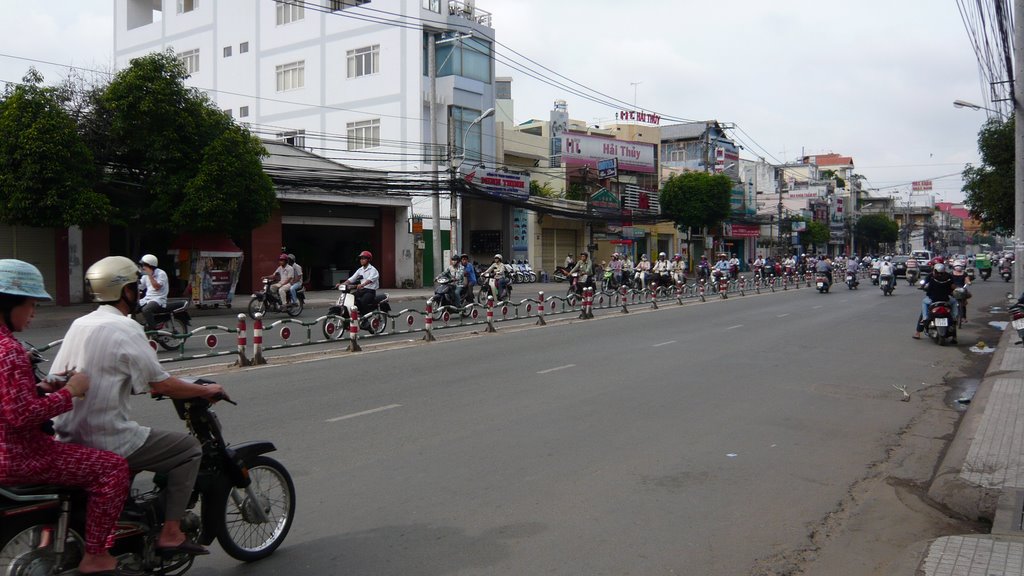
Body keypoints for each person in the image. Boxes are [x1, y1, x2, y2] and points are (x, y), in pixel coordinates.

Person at [52, 256, 226, 558]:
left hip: (65, 434)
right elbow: (161, 384)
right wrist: (204, 389)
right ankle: (171, 533)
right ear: (126, 292)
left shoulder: (80, 323)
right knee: (187, 449)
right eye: (135, 286)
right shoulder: (125, 327)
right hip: (106, 437)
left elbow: (70, 373)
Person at [0, 259, 130, 575]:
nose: (33, 314)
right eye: (30, 305)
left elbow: (10, 400)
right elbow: (21, 416)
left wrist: (42, 386)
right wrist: (70, 391)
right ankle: (97, 555)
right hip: (21, 457)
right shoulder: (10, 350)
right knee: (113, 469)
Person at [914, 262, 956, 340]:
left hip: (933, 300)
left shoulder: (932, 278)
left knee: (924, 307)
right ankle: (954, 321)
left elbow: (928, 291)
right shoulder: (949, 278)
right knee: (954, 303)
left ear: (935, 270)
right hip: (946, 300)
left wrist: (926, 290)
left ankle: (920, 329)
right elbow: (952, 288)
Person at [138, 253, 169, 332]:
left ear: (150, 265)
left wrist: (150, 275)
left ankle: (154, 329)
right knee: (132, 307)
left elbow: (157, 286)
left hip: (158, 299)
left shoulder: (161, 274)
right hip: (147, 298)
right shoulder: (145, 276)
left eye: (144, 265)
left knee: (146, 310)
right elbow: (140, 286)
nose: (143, 267)